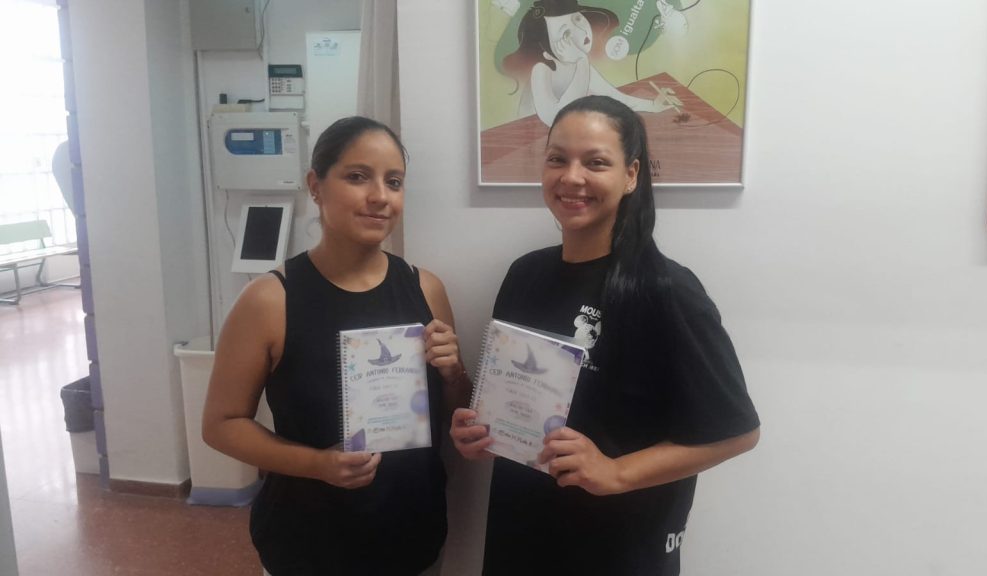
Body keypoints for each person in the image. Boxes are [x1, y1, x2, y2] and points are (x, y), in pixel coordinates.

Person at [450, 95, 760, 576]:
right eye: (557, 159)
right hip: (521, 532)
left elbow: (737, 432)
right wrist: (479, 432)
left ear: (631, 175)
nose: (571, 177)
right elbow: (511, 399)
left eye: (595, 163)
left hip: (618, 546)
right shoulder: (524, 275)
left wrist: (616, 472)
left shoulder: (666, 290)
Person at [203, 117, 470, 575]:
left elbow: (457, 414)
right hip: (308, 543)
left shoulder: (425, 289)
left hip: (412, 535)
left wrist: (453, 373)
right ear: (316, 186)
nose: (380, 196)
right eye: (357, 176)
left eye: (394, 182)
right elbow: (221, 425)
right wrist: (317, 464)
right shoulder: (270, 300)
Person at [501, 0, 681, 126]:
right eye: (565, 34)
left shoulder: (576, 63)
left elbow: (614, 97)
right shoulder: (541, 69)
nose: (581, 31)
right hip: (529, 143)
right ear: (545, 52)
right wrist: (581, 60)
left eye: (577, 18)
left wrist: (652, 106)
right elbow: (554, 117)